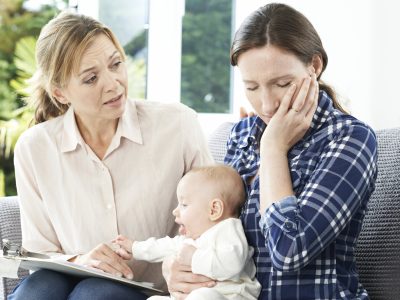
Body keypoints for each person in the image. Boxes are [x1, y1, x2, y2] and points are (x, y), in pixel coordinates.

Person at [163, 3, 378, 300]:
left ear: (314, 66)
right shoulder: (240, 135)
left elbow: (290, 250)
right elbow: (211, 227)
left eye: (282, 84)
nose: (266, 105)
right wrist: (175, 269)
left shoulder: (349, 138)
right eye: (251, 87)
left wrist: (273, 150)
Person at [10, 10, 213, 300]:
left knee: (94, 293)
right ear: (60, 93)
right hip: (68, 281)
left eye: (116, 64)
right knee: (39, 290)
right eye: (91, 78)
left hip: (152, 289)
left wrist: (176, 263)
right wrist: (80, 261)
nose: (113, 83)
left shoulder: (177, 125)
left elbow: (212, 225)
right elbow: (41, 253)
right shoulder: (35, 148)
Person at [114, 165, 261, 300]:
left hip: (229, 296)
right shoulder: (193, 238)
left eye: (184, 204)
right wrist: (135, 248)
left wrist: (194, 257)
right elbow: (164, 246)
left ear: (214, 210)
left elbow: (232, 263)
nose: (175, 211)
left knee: (203, 296)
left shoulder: (228, 230)